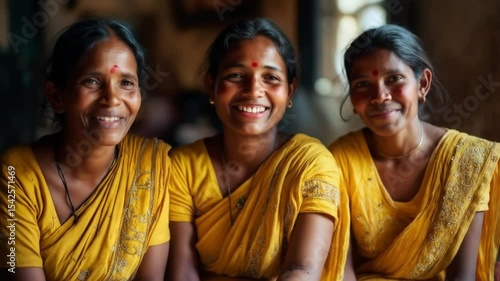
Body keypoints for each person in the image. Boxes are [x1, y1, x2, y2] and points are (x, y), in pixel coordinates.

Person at [167, 18, 349, 281]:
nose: (253, 90)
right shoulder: (183, 167)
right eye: (237, 76)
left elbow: (302, 272)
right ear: (211, 85)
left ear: (290, 91)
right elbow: (182, 273)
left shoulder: (309, 164)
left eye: (271, 78)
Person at [0, 18, 171, 280]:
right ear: (57, 96)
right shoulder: (16, 173)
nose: (112, 99)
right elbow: (14, 267)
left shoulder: (154, 165)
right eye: (92, 81)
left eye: (126, 83)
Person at [329, 24, 500, 280]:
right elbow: (341, 270)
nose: (380, 96)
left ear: (422, 84)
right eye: (363, 83)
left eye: (394, 79)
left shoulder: (468, 160)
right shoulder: (340, 160)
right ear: (352, 97)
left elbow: (462, 276)